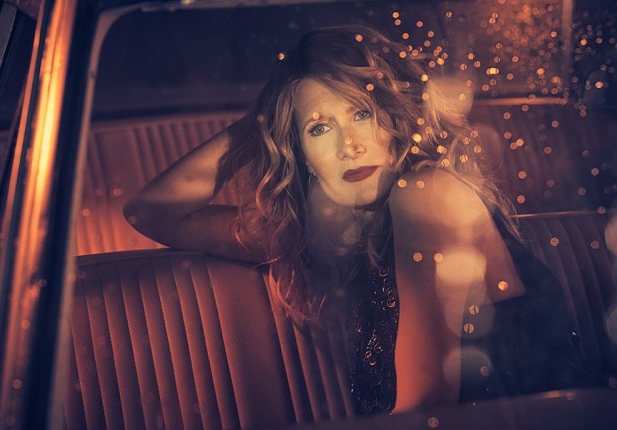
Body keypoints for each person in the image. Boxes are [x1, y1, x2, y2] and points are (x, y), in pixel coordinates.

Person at [123, 25, 589, 415]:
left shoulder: (429, 195)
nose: (349, 145)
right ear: (299, 154)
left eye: (361, 113)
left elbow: (427, 406)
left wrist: (292, 116)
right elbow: (152, 212)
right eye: (318, 128)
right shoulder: (327, 234)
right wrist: (263, 124)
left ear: (395, 120)